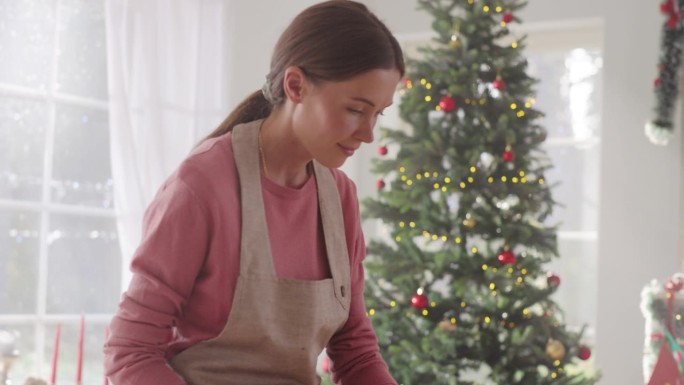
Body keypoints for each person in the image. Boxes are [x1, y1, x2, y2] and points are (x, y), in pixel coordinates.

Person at [103, 1, 405, 384]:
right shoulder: (203, 185)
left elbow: (356, 352)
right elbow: (130, 350)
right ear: (295, 86)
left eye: (378, 113)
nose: (368, 133)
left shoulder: (339, 197)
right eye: (355, 109)